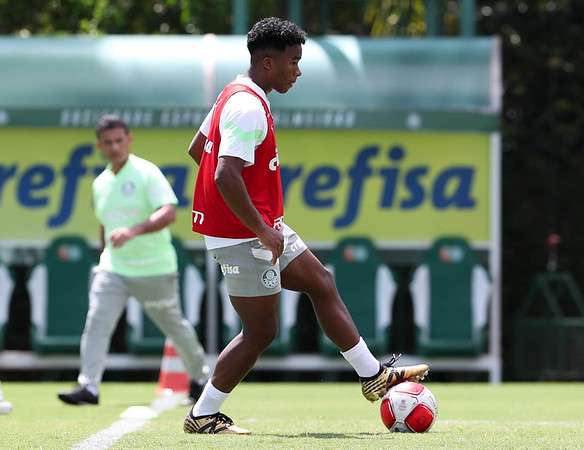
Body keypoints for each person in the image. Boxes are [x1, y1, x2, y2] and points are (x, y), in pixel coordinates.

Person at [183, 18, 429, 434]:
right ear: (267, 63)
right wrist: (258, 228)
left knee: (321, 282)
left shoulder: (235, 92)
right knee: (260, 332)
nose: (298, 70)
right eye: (293, 61)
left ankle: (371, 376)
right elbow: (224, 174)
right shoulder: (245, 106)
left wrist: (261, 221)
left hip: (262, 228)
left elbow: (196, 150)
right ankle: (203, 414)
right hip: (247, 236)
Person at [58, 115, 209, 405]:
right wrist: (104, 251)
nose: (114, 147)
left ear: (129, 140)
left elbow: (169, 212)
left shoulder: (146, 172)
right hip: (113, 268)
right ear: (99, 146)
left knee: (173, 326)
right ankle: (89, 387)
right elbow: (104, 224)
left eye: (119, 141)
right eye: (108, 143)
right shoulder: (100, 182)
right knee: (96, 323)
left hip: (154, 269)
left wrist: (134, 231)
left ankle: (200, 378)